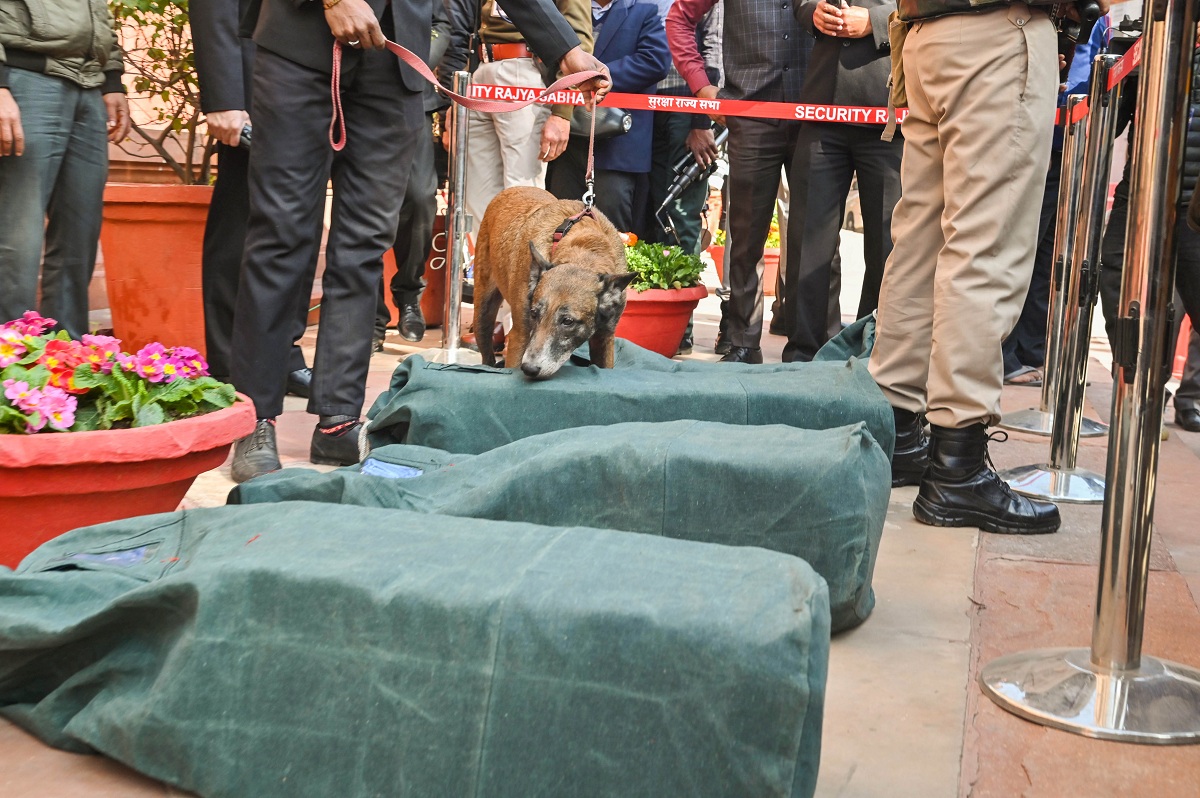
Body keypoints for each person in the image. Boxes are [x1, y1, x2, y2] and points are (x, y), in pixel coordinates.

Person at [229, 0, 610, 484]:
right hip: (299, 48)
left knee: (365, 246)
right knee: (280, 238)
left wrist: (565, 50)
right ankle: (254, 418)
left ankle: (338, 418)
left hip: (395, 69)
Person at [869, 0, 1104, 534]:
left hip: (927, 32)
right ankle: (958, 468)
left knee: (921, 242)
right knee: (986, 247)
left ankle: (899, 431)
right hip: (998, 30)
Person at [667, 0, 813, 364]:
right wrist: (701, 87)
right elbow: (679, 18)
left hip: (816, 111)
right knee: (746, 234)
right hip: (750, 114)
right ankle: (743, 342)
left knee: (817, 232)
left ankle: (810, 345)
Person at [191, 0, 316, 396]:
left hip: (314, 78)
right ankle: (228, 362)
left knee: (302, 225)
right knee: (243, 221)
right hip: (252, 78)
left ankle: (283, 356)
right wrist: (223, 95)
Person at [0, 0, 130, 339]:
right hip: (24, 77)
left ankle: (66, 361)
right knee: (16, 237)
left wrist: (112, 79)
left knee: (79, 235)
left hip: (87, 85)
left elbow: (96, 11)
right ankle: (9, 362)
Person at [784, 0, 901, 362]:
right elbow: (800, 3)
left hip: (889, 108)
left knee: (888, 244)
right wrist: (812, 12)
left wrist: (877, 21)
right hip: (823, 103)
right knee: (807, 241)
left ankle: (872, 353)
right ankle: (804, 354)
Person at [443, 0, 593, 236]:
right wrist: (458, 98)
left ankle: (521, 272)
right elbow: (469, 29)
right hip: (479, 69)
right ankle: (481, 270)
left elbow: (579, 39)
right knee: (475, 193)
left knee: (523, 193)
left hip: (525, 69)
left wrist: (562, 111)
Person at [546, 0, 671, 232]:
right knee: (559, 229)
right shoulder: (563, 9)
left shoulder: (645, 11)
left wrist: (595, 74)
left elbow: (656, 60)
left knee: (611, 237)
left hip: (617, 149)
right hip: (568, 143)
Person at [373, 0, 453, 348]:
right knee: (367, 205)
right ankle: (371, 316)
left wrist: (413, 62)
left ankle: (409, 294)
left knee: (421, 197)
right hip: (356, 94)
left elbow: (444, 25)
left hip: (412, 94)